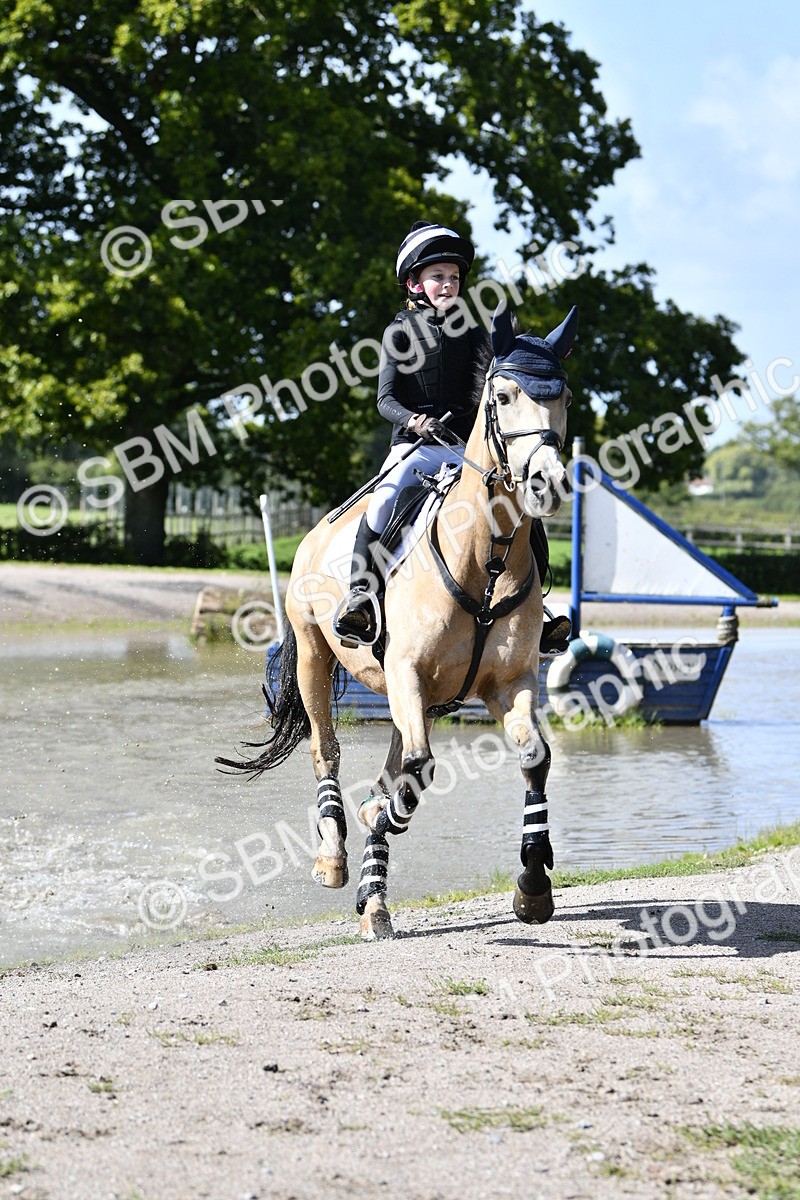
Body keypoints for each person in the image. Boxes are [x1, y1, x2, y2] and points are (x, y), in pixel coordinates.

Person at [332, 219, 571, 654]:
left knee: (519, 511)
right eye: (438, 276)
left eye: (454, 278)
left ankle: (541, 606)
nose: (448, 284)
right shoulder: (398, 331)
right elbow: (384, 401)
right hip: (414, 448)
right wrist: (416, 422)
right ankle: (360, 598)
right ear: (415, 282)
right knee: (385, 500)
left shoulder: (474, 332)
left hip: (465, 452)